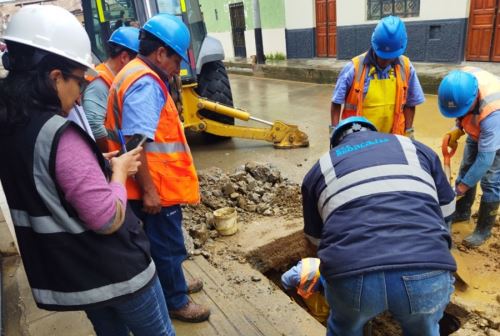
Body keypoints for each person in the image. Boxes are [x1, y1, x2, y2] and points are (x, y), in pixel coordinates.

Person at [0, 5, 175, 336]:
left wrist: (96, 166)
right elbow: (106, 217)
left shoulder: (11, 124)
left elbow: (50, 183)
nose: (80, 94)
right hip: (116, 272)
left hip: (76, 276)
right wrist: (119, 172)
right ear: (55, 77)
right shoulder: (58, 133)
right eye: (78, 82)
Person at [302, 116, 456, 336]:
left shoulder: (321, 168)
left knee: (345, 327)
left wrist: (331, 280)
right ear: (375, 132)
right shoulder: (415, 148)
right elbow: (447, 213)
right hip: (425, 269)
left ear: (336, 144)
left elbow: (315, 243)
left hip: (351, 276)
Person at [104, 13, 210, 322]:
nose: (178, 68)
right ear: (160, 53)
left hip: (146, 184)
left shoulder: (130, 72)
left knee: (162, 246)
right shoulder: (146, 84)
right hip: (155, 188)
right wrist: (150, 191)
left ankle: (174, 284)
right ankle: (176, 300)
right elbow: (138, 143)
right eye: (176, 60)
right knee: (167, 247)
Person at [330, 16, 424, 138]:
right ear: (374, 45)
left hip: (393, 138)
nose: (385, 61)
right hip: (359, 139)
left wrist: (409, 132)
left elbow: (410, 104)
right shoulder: (354, 68)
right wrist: (334, 133)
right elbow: (336, 103)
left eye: (390, 57)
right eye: (382, 55)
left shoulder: (406, 68)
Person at [438, 69, 500, 247]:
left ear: (473, 99)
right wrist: (457, 128)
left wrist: (461, 188)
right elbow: (460, 110)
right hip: (479, 127)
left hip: (497, 132)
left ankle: (483, 230)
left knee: (491, 179)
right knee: (466, 168)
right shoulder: (457, 83)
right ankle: (463, 211)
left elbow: (485, 160)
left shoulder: (493, 114)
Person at [83, 26, 139, 151]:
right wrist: (114, 156)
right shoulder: (100, 83)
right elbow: (94, 126)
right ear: (124, 57)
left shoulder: (114, 79)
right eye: (138, 62)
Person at [281, 258, 330, 323]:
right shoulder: (300, 277)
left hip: (313, 272)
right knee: (318, 308)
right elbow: (285, 279)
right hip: (306, 280)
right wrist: (301, 305)